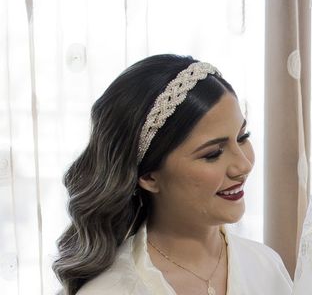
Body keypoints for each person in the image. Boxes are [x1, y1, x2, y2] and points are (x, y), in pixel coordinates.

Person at [53, 54, 293, 295]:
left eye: (242, 138)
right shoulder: (110, 290)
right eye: (212, 154)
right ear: (148, 176)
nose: (243, 165)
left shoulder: (265, 267)